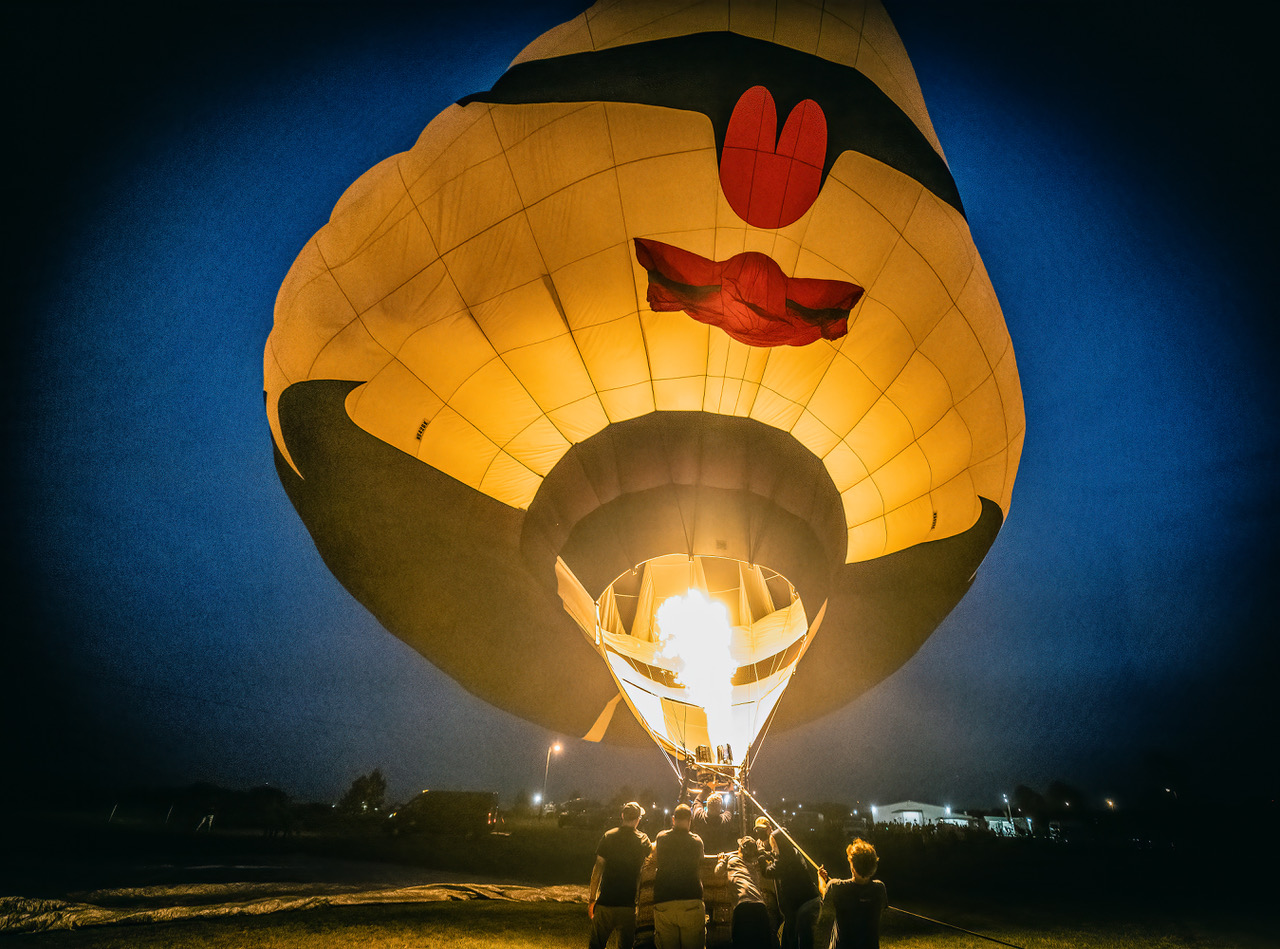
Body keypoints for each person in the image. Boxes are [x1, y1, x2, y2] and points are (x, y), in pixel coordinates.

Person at [588, 801, 652, 949]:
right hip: (628, 905)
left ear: (622, 815)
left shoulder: (608, 836)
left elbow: (597, 870)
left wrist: (592, 898)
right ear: (638, 819)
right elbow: (652, 859)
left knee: (596, 945)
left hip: (605, 902)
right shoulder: (643, 840)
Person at [653, 803, 706, 949]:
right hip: (691, 899)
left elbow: (654, 857)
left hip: (664, 900)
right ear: (690, 821)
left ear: (673, 819)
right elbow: (702, 862)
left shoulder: (661, 838)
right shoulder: (697, 841)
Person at [817, 839, 887, 949]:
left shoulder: (836, 887)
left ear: (852, 866)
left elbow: (824, 891)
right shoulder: (879, 889)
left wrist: (821, 879)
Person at [715, 836, 780, 949]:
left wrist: (721, 860)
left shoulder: (732, 859)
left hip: (743, 908)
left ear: (740, 849)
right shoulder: (754, 867)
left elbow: (717, 872)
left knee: (742, 944)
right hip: (760, 907)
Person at [765, 832, 820, 949]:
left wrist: (760, 858)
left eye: (774, 846)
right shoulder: (792, 852)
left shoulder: (786, 859)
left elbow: (769, 872)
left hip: (801, 906)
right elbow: (777, 858)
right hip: (802, 902)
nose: (773, 849)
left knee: (795, 938)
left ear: (780, 844)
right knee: (790, 936)